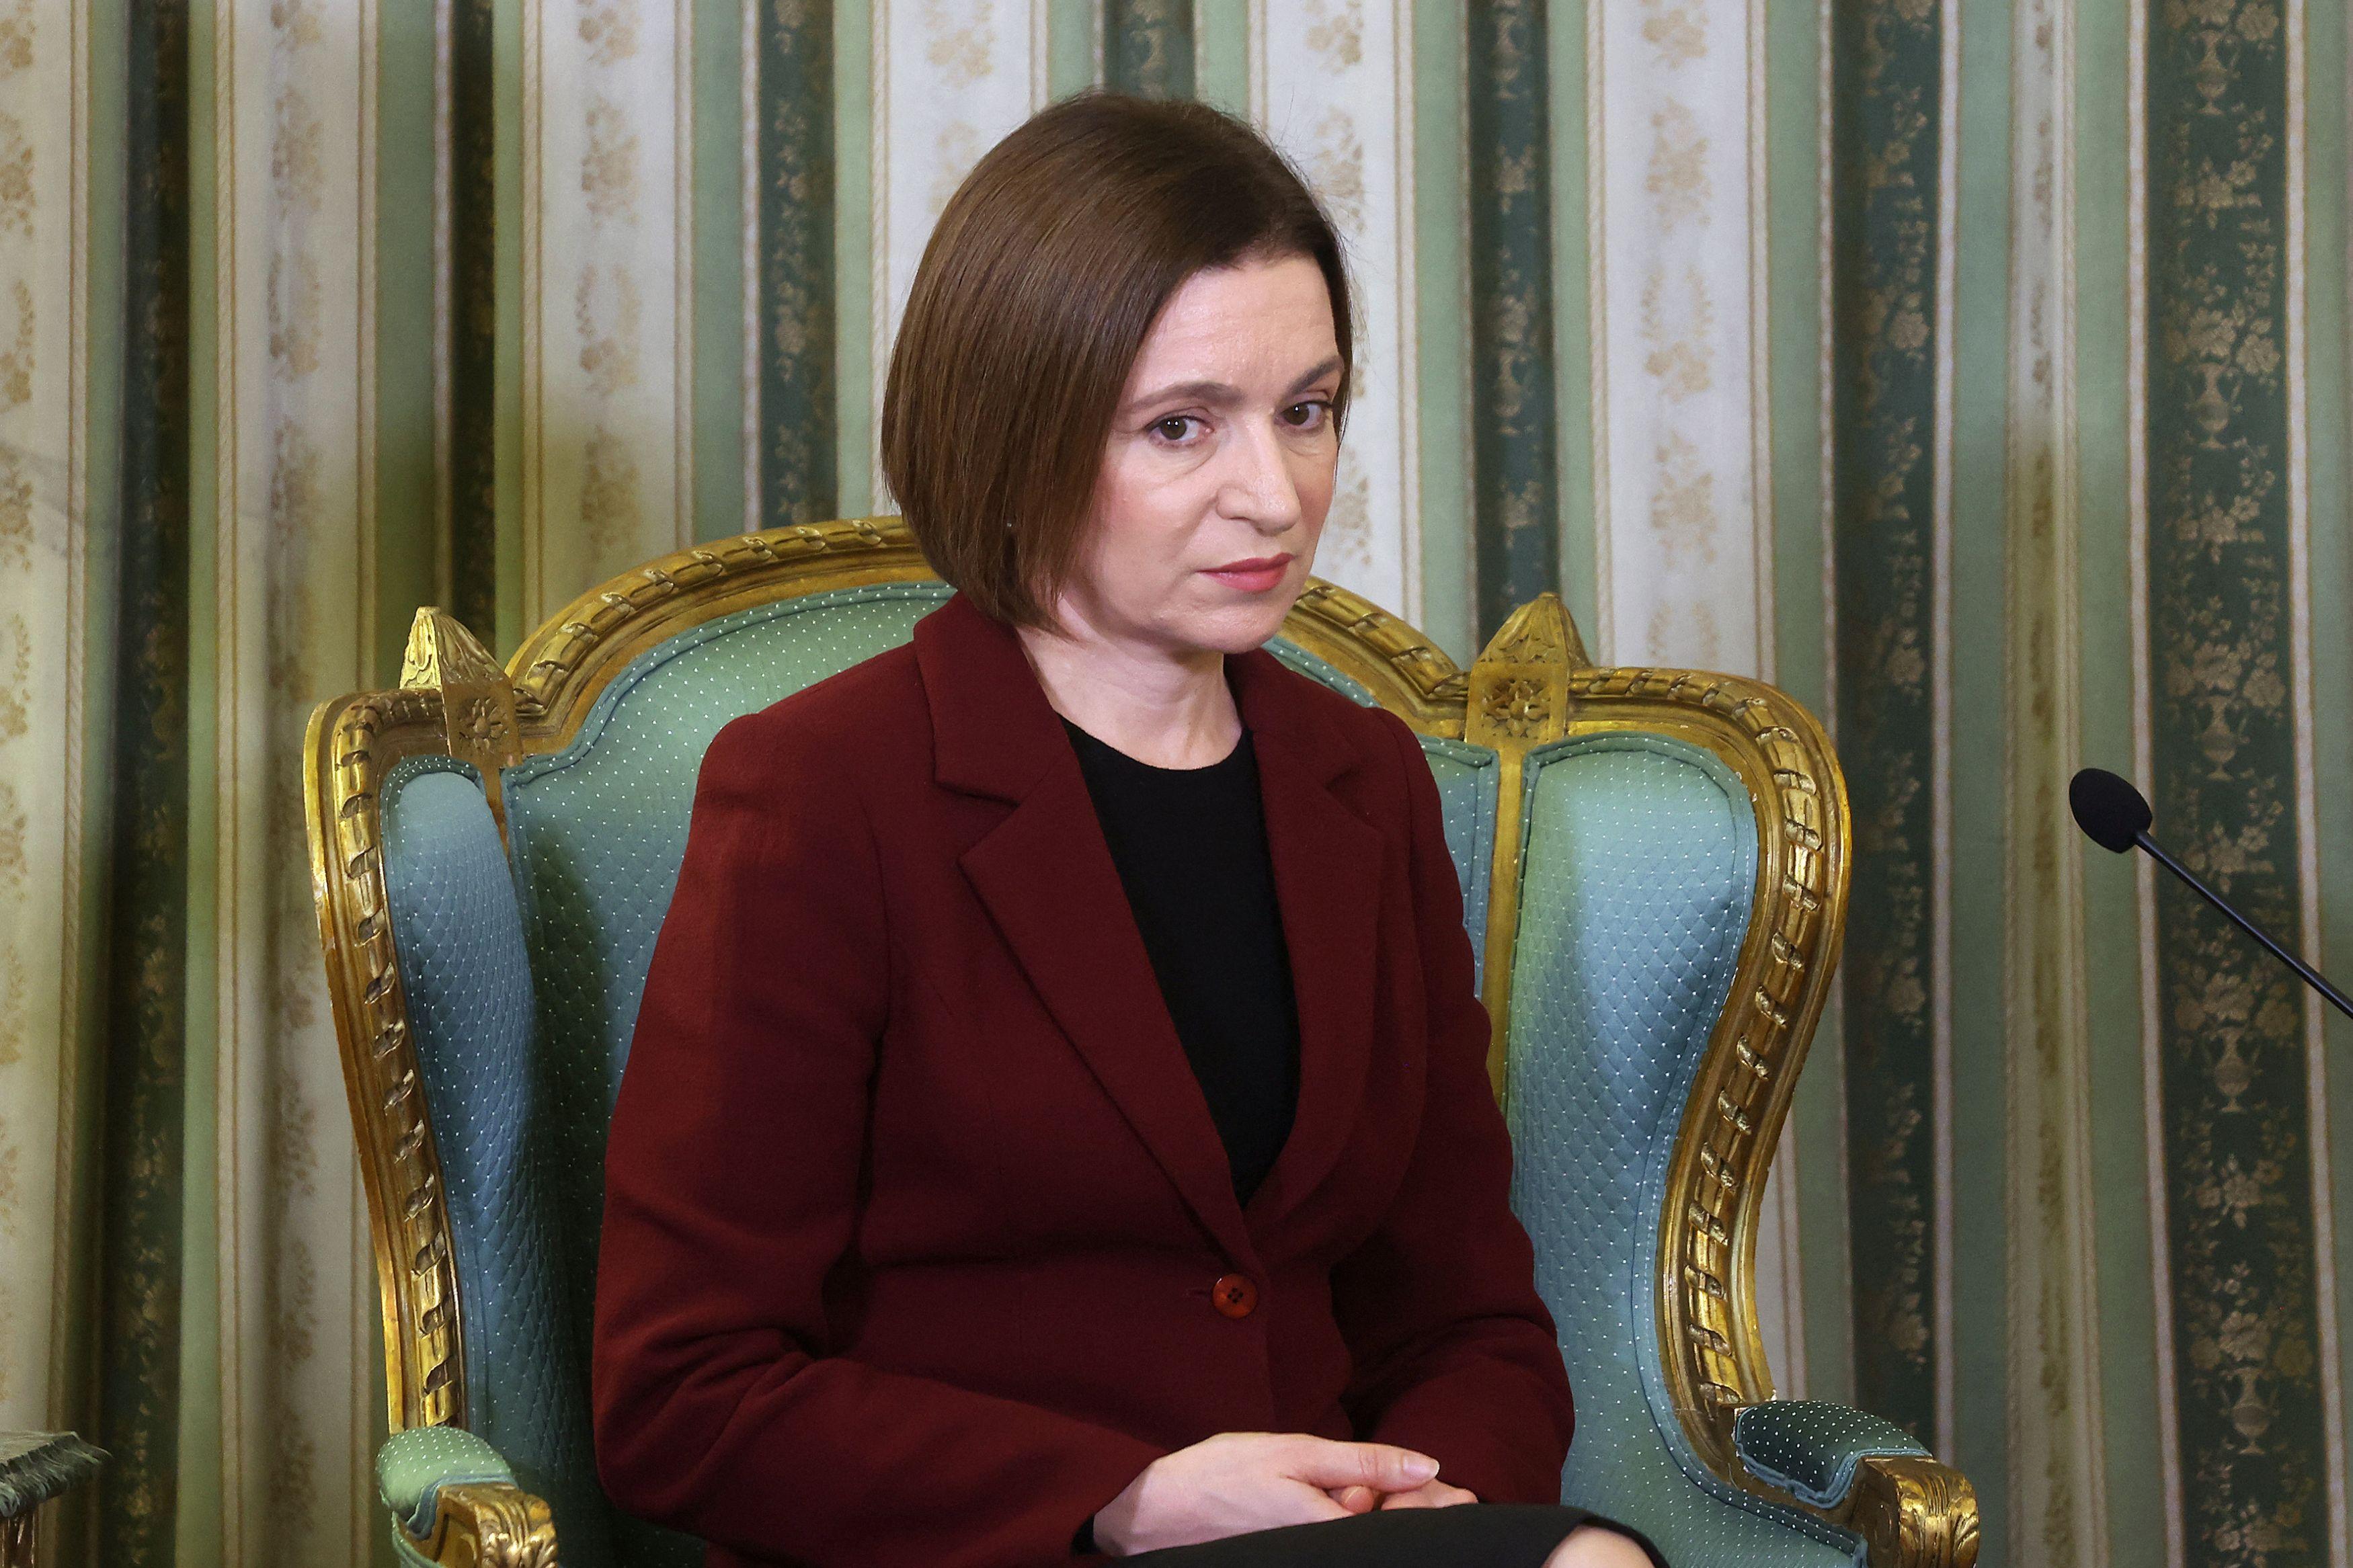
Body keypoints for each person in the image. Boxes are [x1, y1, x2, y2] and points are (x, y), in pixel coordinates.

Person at [590, 91, 1665, 1568]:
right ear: (1016, 434)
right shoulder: (818, 792)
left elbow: (1466, 1320)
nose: (1273, 495)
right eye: (1180, 427)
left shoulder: (1365, 784)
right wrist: (1124, 1498)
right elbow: (680, 1394)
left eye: (1306, 410)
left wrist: (1437, 1505)